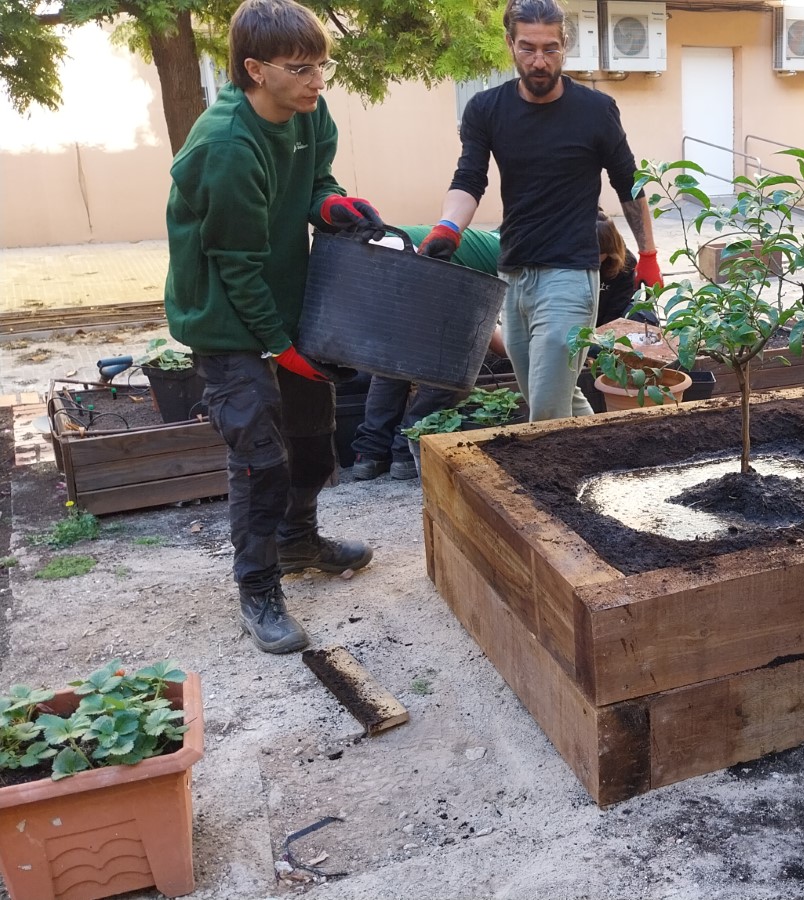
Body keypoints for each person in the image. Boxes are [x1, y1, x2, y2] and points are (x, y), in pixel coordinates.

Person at [163, 0, 385, 654]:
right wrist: (279, 349)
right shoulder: (227, 146)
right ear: (256, 70)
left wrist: (333, 206)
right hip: (226, 316)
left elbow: (317, 181)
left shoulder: (309, 112)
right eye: (300, 68)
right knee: (261, 458)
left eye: (321, 64)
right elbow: (236, 266)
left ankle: (298, 542)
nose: (317, 80)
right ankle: (258, 589)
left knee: (314, 443)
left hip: (288, 300)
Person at [422, 0, 662, 423]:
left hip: (570, 273)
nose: (539, 61)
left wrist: (648, 254)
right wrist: (447, 227)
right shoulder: (486, 109)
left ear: (565, 45)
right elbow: (469, 179)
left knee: (547, 411)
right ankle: (604, 450)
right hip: (514, 271)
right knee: (551, 397)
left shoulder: (595, 110)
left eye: (550, 48)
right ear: (510, 44)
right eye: (528, 48)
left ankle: (557, 470)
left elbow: (629, 182)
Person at [350, 225, 501, 481]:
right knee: (446, 370)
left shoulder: (482, 241)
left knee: (394, 363)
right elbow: (491, 332)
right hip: (416, 271)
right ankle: (405, 454)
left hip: (375, 265)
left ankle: (369, 454)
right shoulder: (517, 257)